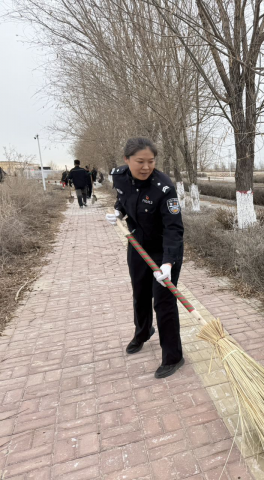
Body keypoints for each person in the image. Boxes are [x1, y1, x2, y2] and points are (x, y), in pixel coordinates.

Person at [105, 137, 185, 379]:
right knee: (140, 294)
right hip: (137, 244)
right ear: (127, 159)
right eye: (140, 161)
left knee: (164, 302)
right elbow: (124, 198)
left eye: (151, 161)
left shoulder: (164, 188)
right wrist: (118, 211)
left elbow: (174, 228)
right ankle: (143, 331)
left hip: (163, 250)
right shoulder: (119, 176)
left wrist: (168, 263)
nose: (146, 167)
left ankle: (173, 356)